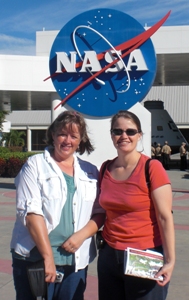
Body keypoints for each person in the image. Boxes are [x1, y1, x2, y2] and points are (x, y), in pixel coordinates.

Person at [10, 110, 105, 300]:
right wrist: (48, 258)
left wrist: (81, 236)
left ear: (80, 141)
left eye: (74, 136)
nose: (67, 140)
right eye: (62, 133)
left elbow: (100, 211)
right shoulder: (34, 165)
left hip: (75, 260)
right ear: (52, 134)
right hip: (35, 258)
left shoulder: (90, 171)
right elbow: (31, 214)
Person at [97, 110, 175, 300]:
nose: (124, 136)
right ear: (112, 135)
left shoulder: (151, 167)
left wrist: (170, 260)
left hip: (144, 255)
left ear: (139, 135)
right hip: (109, 255)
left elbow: (165, 217)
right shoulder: (106, 168)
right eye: (118, 131)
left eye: (130, 131)